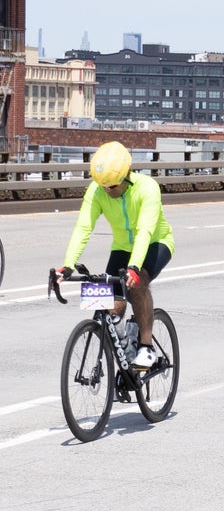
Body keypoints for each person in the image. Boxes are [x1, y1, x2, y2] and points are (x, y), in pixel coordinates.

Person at [55, 141, 174, 369]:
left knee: (137, 285)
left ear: (127, 175)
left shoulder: (147, 188)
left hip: (155, 243)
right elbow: (83, 228)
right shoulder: (97, 190)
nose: (107, 191)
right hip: (122, 246)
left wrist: (135, 268)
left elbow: (144, 231)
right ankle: (124, 342)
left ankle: (146, 347)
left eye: (111, 186)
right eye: (103, 186)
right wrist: (68, 265)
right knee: (111, 303)